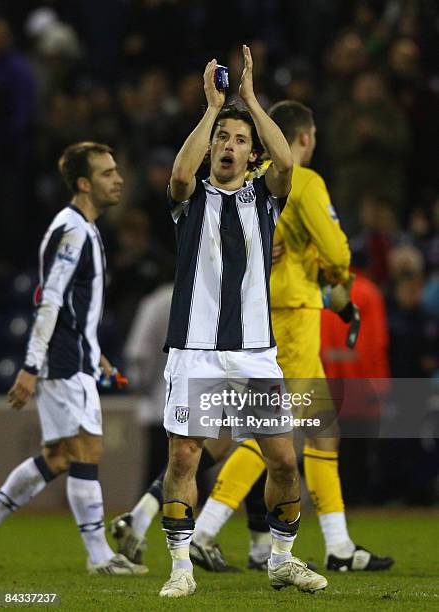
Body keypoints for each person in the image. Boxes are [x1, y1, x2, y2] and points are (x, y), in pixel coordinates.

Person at [189, 101, 393, 572]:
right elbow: (337, 249)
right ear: (304, 136)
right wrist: (337, 277)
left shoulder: (247, 182)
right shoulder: (302, 179)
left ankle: (339, 547)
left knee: (322, 432)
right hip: (293, 318)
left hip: (252, 315)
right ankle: (203, 531)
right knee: (273, 435)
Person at [156, 46, 327, 598]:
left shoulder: (264, 200)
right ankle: (181, 568)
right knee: (184, 456)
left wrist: (252, 101)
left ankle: (280, 559)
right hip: (196, 349)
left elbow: (287, 166)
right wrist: (212, 110)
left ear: (251, 156)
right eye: (222, 140)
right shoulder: (191, 199)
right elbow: (180, 172)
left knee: (282, 460)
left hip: (255, 352)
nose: (228, 147)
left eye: (238, 141)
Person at [0, 142, 146, 576]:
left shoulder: (84, 227)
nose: (118, 178)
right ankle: (99, 557)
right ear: (84, 183)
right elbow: (50, 301)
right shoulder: (74, 230)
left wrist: (97, 356)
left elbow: (77, 308)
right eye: (107, 173)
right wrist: (30, 365)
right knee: (87, 449)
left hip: (76, 356)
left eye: (117, 170)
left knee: (62, 456)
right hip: (62, 359)